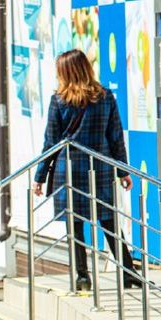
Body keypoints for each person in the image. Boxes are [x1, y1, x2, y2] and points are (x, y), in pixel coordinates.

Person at [33, 49, 140, 291]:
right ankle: (128, 272)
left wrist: (40, 176)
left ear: (65, 72)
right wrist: (122, 170)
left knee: (75, 223)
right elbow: (115, 137)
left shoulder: (59, 100)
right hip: (100, 167)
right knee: (109, 220)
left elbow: (51, 142)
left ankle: (82, 276)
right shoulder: (105, 97)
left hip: (68, 169)